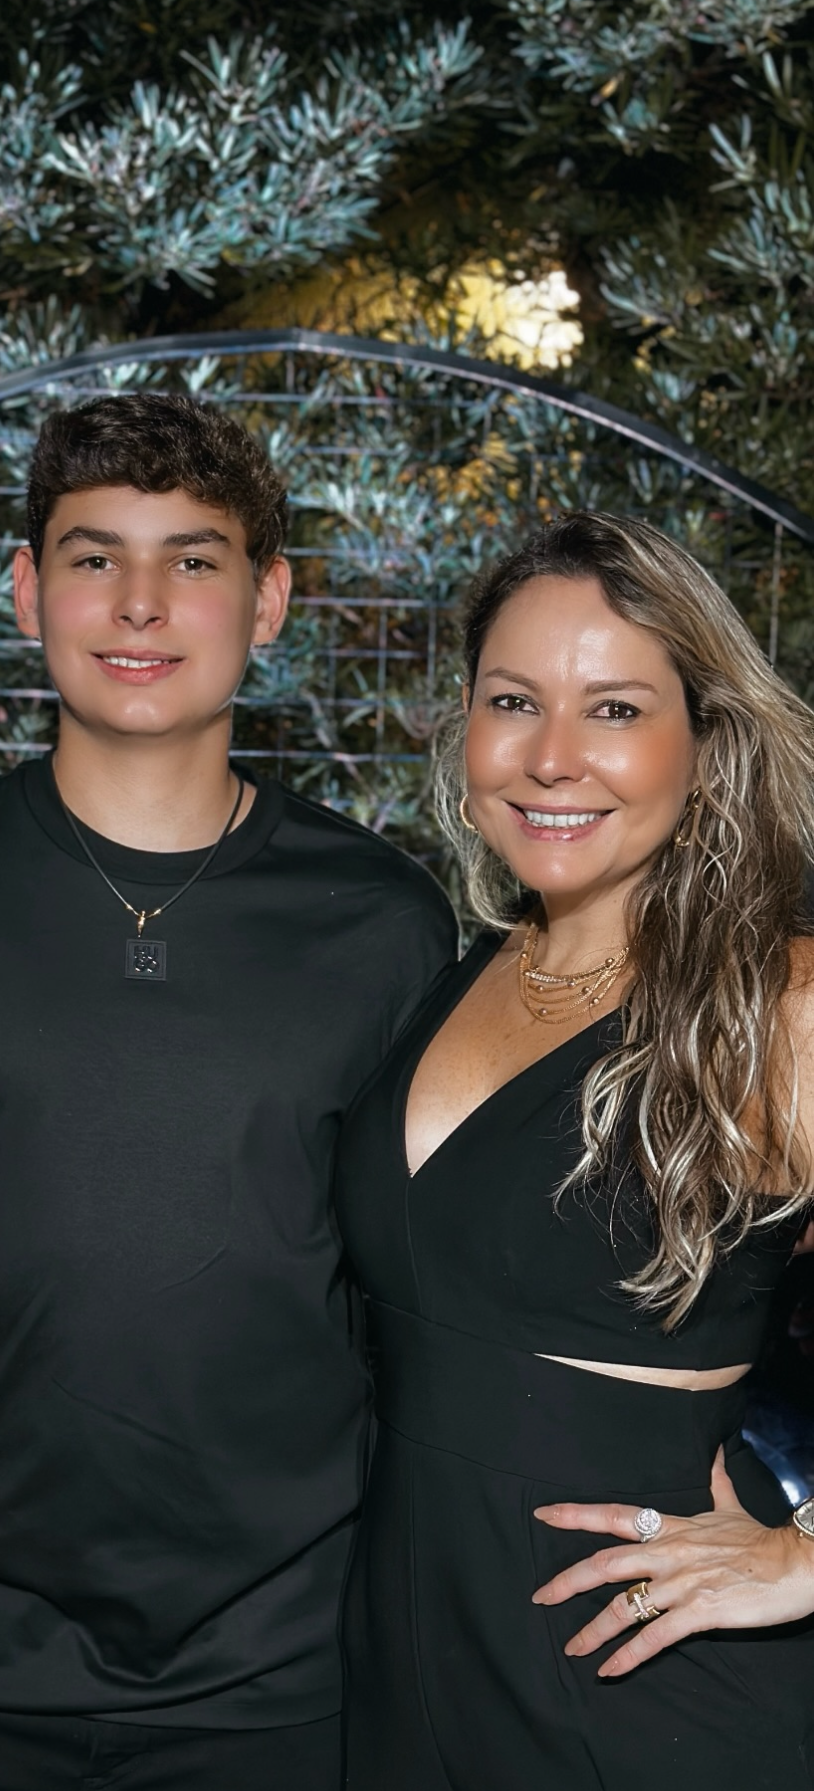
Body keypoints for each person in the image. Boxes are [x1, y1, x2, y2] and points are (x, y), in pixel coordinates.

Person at [0, 395, 456, 1789]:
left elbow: (444, 1271)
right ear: (26, 591)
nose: (139, 602)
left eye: (192, 559)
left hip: (284, 1658)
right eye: (93, 556)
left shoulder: (382, 921)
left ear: (269, 600)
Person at [333, 510, 814, 1790]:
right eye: (513, 702)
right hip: (403, 1658)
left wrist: (805, 1553)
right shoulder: (462, 976)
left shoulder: (779, 1006)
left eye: (613, 710)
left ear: (705, 741)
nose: (552, 758)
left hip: (639, 1689)